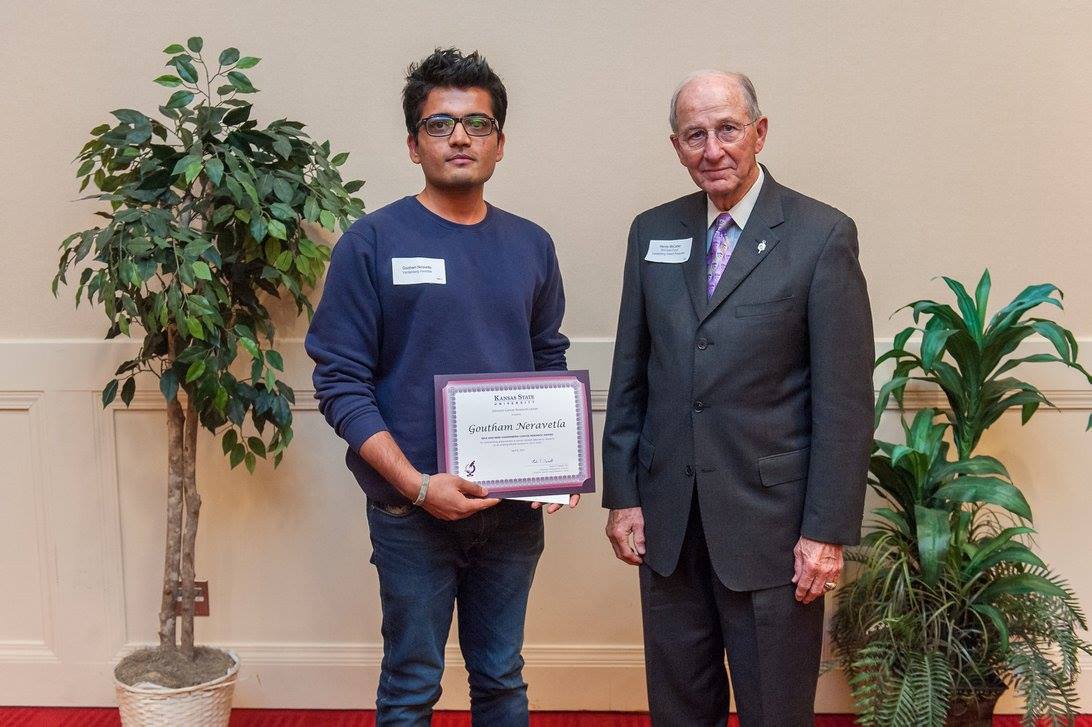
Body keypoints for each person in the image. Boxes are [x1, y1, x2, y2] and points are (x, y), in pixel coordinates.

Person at [305, 48, 574, 727]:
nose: (460, 136)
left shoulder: (532, 245)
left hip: (511, 513)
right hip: (409, 515)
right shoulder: (370, 243)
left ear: (500, 143)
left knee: (502, 678)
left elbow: (547, 356)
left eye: (478, 123)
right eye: (440, 124)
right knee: (410, 684)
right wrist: (418, 485)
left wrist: (558, 459)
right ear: (413, 143)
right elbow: (340, 381)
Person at [601, 70, 874, 727]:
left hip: (774, 531)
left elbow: (844, 400)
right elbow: (632, 371)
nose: (712, 148)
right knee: (678, 709)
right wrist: (623, 495)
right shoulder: (652, 232)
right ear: (676, 146)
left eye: (727, 129)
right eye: (695, 135)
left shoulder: (821, 235)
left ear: (759, 131)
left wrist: (825, 533)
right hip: (668, 525)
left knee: (774, 709)